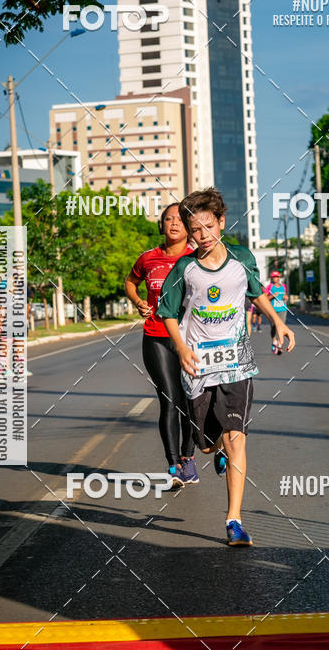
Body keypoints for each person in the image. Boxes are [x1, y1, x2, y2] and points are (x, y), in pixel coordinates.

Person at [157, 187, 296, 547]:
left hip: (237, 362)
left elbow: (256, 292)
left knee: (237, 440)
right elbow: (168, 312)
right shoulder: (185, 268)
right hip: (198, 363)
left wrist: (278, 322)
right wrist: (181, 347)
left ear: (221, 221)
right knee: (205, 445)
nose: (202, 235)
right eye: (195, 230)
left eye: (208, 226)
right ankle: (214, 446)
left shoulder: (241, 258)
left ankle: (234, 520)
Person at [125, 204, 198, 488]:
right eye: (168, 219)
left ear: (188, 227)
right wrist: (138, 301)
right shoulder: (148, 258)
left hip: (191, 339)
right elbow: (130, 282)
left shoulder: (196, 258)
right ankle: (173, 465)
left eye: (179, 219)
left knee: (191, 401)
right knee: (169, 399)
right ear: (161, 225)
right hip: (155, 336)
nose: (174, 223)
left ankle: (188, 457)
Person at [265, 270, 289, 354]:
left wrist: (286, 297)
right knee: (273, 327)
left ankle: (279, 344)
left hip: (282, 309)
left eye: (277, 277)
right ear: (272, 278)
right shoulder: (270, 287)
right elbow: (265, 299)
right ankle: (274, 341)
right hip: (273, 310)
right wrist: (272, 295)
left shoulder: (283, 286)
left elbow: (285, 296)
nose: (275, 278)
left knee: (281, 326)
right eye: (274, 277)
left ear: (279, 278)